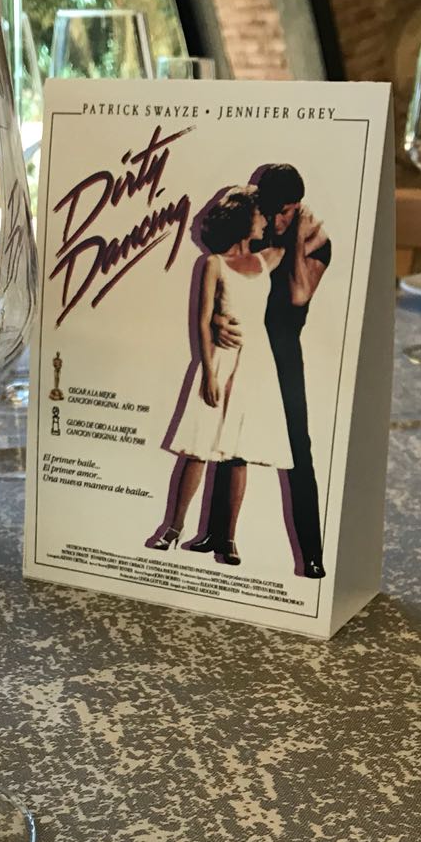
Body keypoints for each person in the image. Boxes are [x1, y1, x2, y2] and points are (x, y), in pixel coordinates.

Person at [190, 163, 330, 577]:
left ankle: (312, 555)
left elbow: (299, 294)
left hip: (282, 353)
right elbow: (220, 264)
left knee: (298, 449)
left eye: (285, 212)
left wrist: (298, 238)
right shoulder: (257, 227)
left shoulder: (316, 242)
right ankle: (217, 535)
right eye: (271, 210)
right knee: (226, 438)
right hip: (242, 347)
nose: (276, 219)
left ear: (298, 207)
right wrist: (217, 318)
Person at [146, 187, 291, 566]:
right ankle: (173, 528)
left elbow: (293, 228)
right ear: (243, 221)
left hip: (256, 365)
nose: (264, 223)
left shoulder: (267, 259)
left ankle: (228, 539)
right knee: (198, 449)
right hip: (220, 362)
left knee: (239, 455)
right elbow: (201, 320)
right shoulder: (213, 263)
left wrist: (264, 199)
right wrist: (209, 373)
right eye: (258, 216)